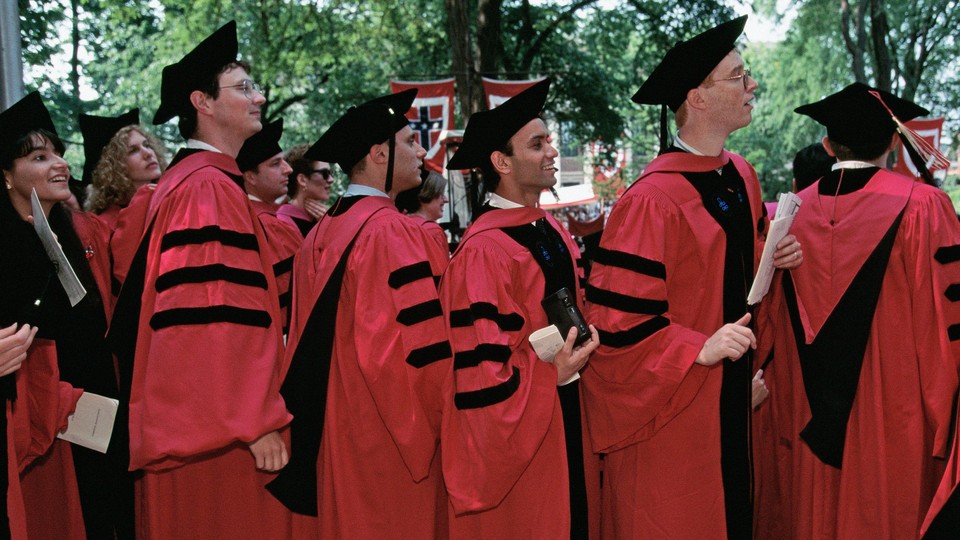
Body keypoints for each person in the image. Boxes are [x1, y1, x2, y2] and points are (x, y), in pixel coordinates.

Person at [579, 16, 802, 539]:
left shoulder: (741, 175)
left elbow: (739, 285)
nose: (752, 86)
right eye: (737, 76)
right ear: (697, 98)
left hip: (730, 401)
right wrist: (697, 349)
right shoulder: (650, 201)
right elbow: (616, 321)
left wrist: (775, 254)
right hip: (672, 415)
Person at [106, 21, 293, 539]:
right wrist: (253, 420)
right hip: (218, 438)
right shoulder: (206, 189)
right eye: (243, 88)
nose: (258, 98)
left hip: (206, 426)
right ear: (202, 103)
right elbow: (208, 316)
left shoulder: (197, 182)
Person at [753, 82, 960, 539]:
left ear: (827, 145)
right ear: (893, 140)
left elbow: (763, 323)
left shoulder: (788, 214)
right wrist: (946, 417)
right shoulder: (925, 207)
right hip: (895, 420)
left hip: (803, 418)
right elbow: (944, 327)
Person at [267, 89, 451, 538]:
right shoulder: (389, 232)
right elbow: (402, 358)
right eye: (411, 143)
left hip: (333, 431)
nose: (422, 152)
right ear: (378, 153)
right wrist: (447, 422)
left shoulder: (321, 230)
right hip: (385, 436)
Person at [439, 78, 602, 539]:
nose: (553, 151)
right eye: (538, 143)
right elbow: (481, 371)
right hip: (529, 436)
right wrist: (553, 374)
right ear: (501, 161)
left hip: (566, 416)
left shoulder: (547, 228)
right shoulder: (483, 251)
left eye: (549, 140)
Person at [1, 91, 131, 539]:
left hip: (94, 407)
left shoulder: (72, 234)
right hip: (41, 419)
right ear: (6, 176)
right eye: (39, 156)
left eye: (57, 153)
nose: (58, 164)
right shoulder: (6, 247)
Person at [236, 118, 302, 334]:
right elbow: (294, 298)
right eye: (275, 164)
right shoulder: (270, 227)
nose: (288, 169)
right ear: (250, 177)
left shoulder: (238, 217)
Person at [80, 109, 166, 229]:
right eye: (133, 151)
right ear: (113, 165)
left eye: (147, 145)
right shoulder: (107, 225)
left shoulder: (170, 201)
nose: (148, 153)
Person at [277, 144, 334, 237]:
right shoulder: (282, 223)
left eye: (331, 173)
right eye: (324, 173)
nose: (331, 179)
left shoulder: (326, 217)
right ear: (302, 180)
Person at [395, 169, 449, 255]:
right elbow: (440, 267)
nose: (446, 200)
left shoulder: (399, 224)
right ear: (427, 194)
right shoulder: (432, 231)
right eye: (441, 194)